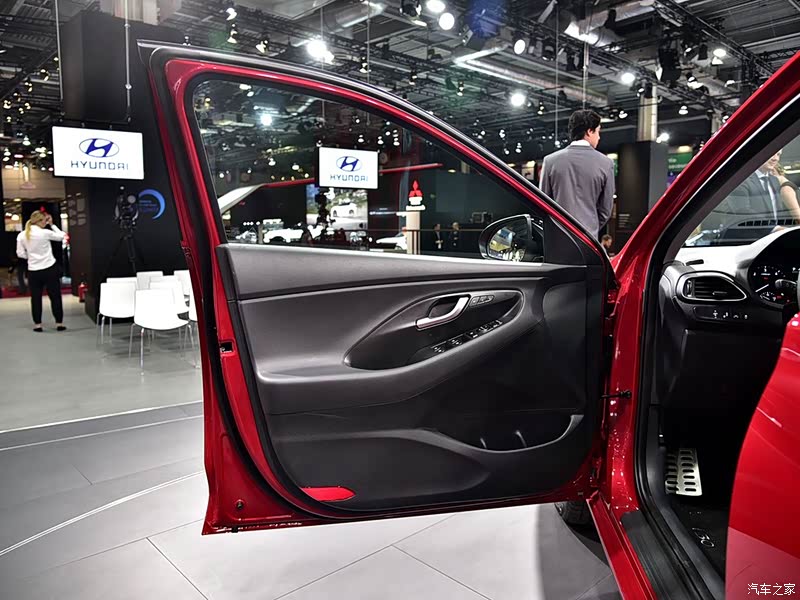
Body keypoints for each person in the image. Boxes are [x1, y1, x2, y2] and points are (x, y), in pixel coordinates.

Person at [539, 110, 615, 238]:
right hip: (588, 238)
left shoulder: (550, 161)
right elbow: (606, 210)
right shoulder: (606, 163)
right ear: (589, 131)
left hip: (557, 237)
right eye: (598, 132)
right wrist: (590, 227)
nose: (599, 137)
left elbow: (543, 203)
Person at [16, 211, 67, 332]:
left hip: (33, 271)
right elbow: (62, 236)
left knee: (35, 298)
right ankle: (59, 323)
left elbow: (20, 253)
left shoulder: (22, 235)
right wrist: (52, 225)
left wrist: (31, 257)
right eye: (45, 220)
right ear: (39, 221)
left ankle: (38, 325)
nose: (46, 222)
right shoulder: (45, 233)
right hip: (50, 269)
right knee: (55, 297)